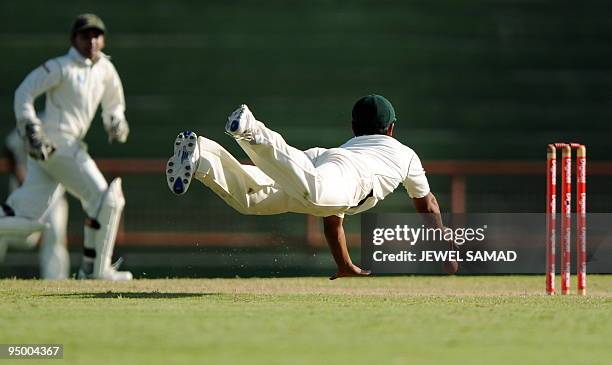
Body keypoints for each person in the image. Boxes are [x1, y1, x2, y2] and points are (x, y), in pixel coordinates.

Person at [167, 94, 452, 279]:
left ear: (354, 127)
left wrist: (345, 265)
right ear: (391, 129)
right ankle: (252, 129)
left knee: (251, 198)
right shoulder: (405, 154)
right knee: (313, 191)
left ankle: (201, 156)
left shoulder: (351, 145)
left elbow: (331, 221)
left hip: (325, 160)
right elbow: (428, 205)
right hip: (347, 175)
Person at [0, 13, 131, 280]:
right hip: (58, 144)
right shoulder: (61, 67)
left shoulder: (105, 69)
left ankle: (94, 270)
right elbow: (23, 91)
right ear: (74, 39)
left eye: (96, 35)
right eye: (85, 35)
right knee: (107, 199)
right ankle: (96, 271)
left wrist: (115, 120)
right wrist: (30, 126)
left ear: (103, 40)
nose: (91, 41)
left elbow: (114, 101)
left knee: (26, 219)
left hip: (54, 152)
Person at [0, 129, 70, 279]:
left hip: (55, 200)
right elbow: (9, 146)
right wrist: (18, 172)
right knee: (3, 230)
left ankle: (56, 285)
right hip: (26, 197)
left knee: (55, 235)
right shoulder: (31, 122)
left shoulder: (64, 129)